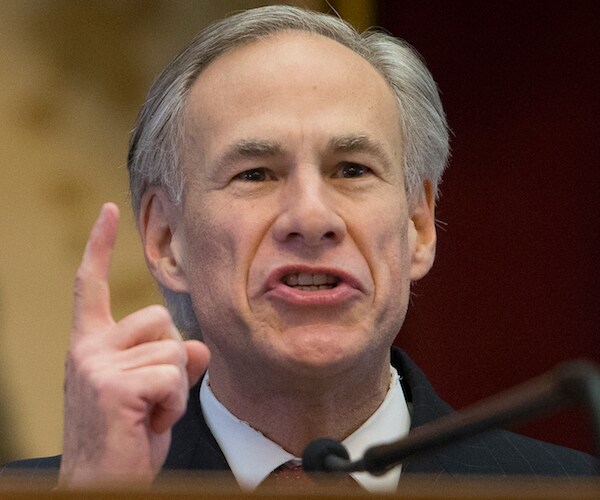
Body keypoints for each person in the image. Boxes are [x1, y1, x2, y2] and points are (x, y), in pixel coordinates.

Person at [2, 4, 597, 491]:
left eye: (352, 169)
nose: (312, 219)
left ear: (419, 224)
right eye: (256, 173)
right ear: (165, 238)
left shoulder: (565, 487)